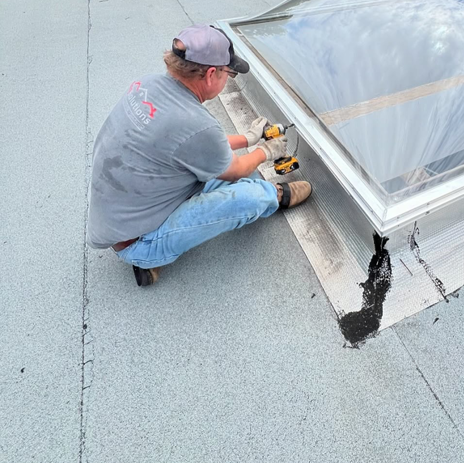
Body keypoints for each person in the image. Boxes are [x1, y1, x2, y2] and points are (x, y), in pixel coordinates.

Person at [87, 24, 312, 286]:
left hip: (119, 218)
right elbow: (233, 166)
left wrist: (249, 138)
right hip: (138, 241)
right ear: (211, 74)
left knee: (233, 169)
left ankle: (149, 248)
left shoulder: (148, 85)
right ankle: (274, 196)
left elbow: (198, 144)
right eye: (229, 73)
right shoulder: (195, 123)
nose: (228, 79)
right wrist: (265, 151)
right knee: (247, 196)